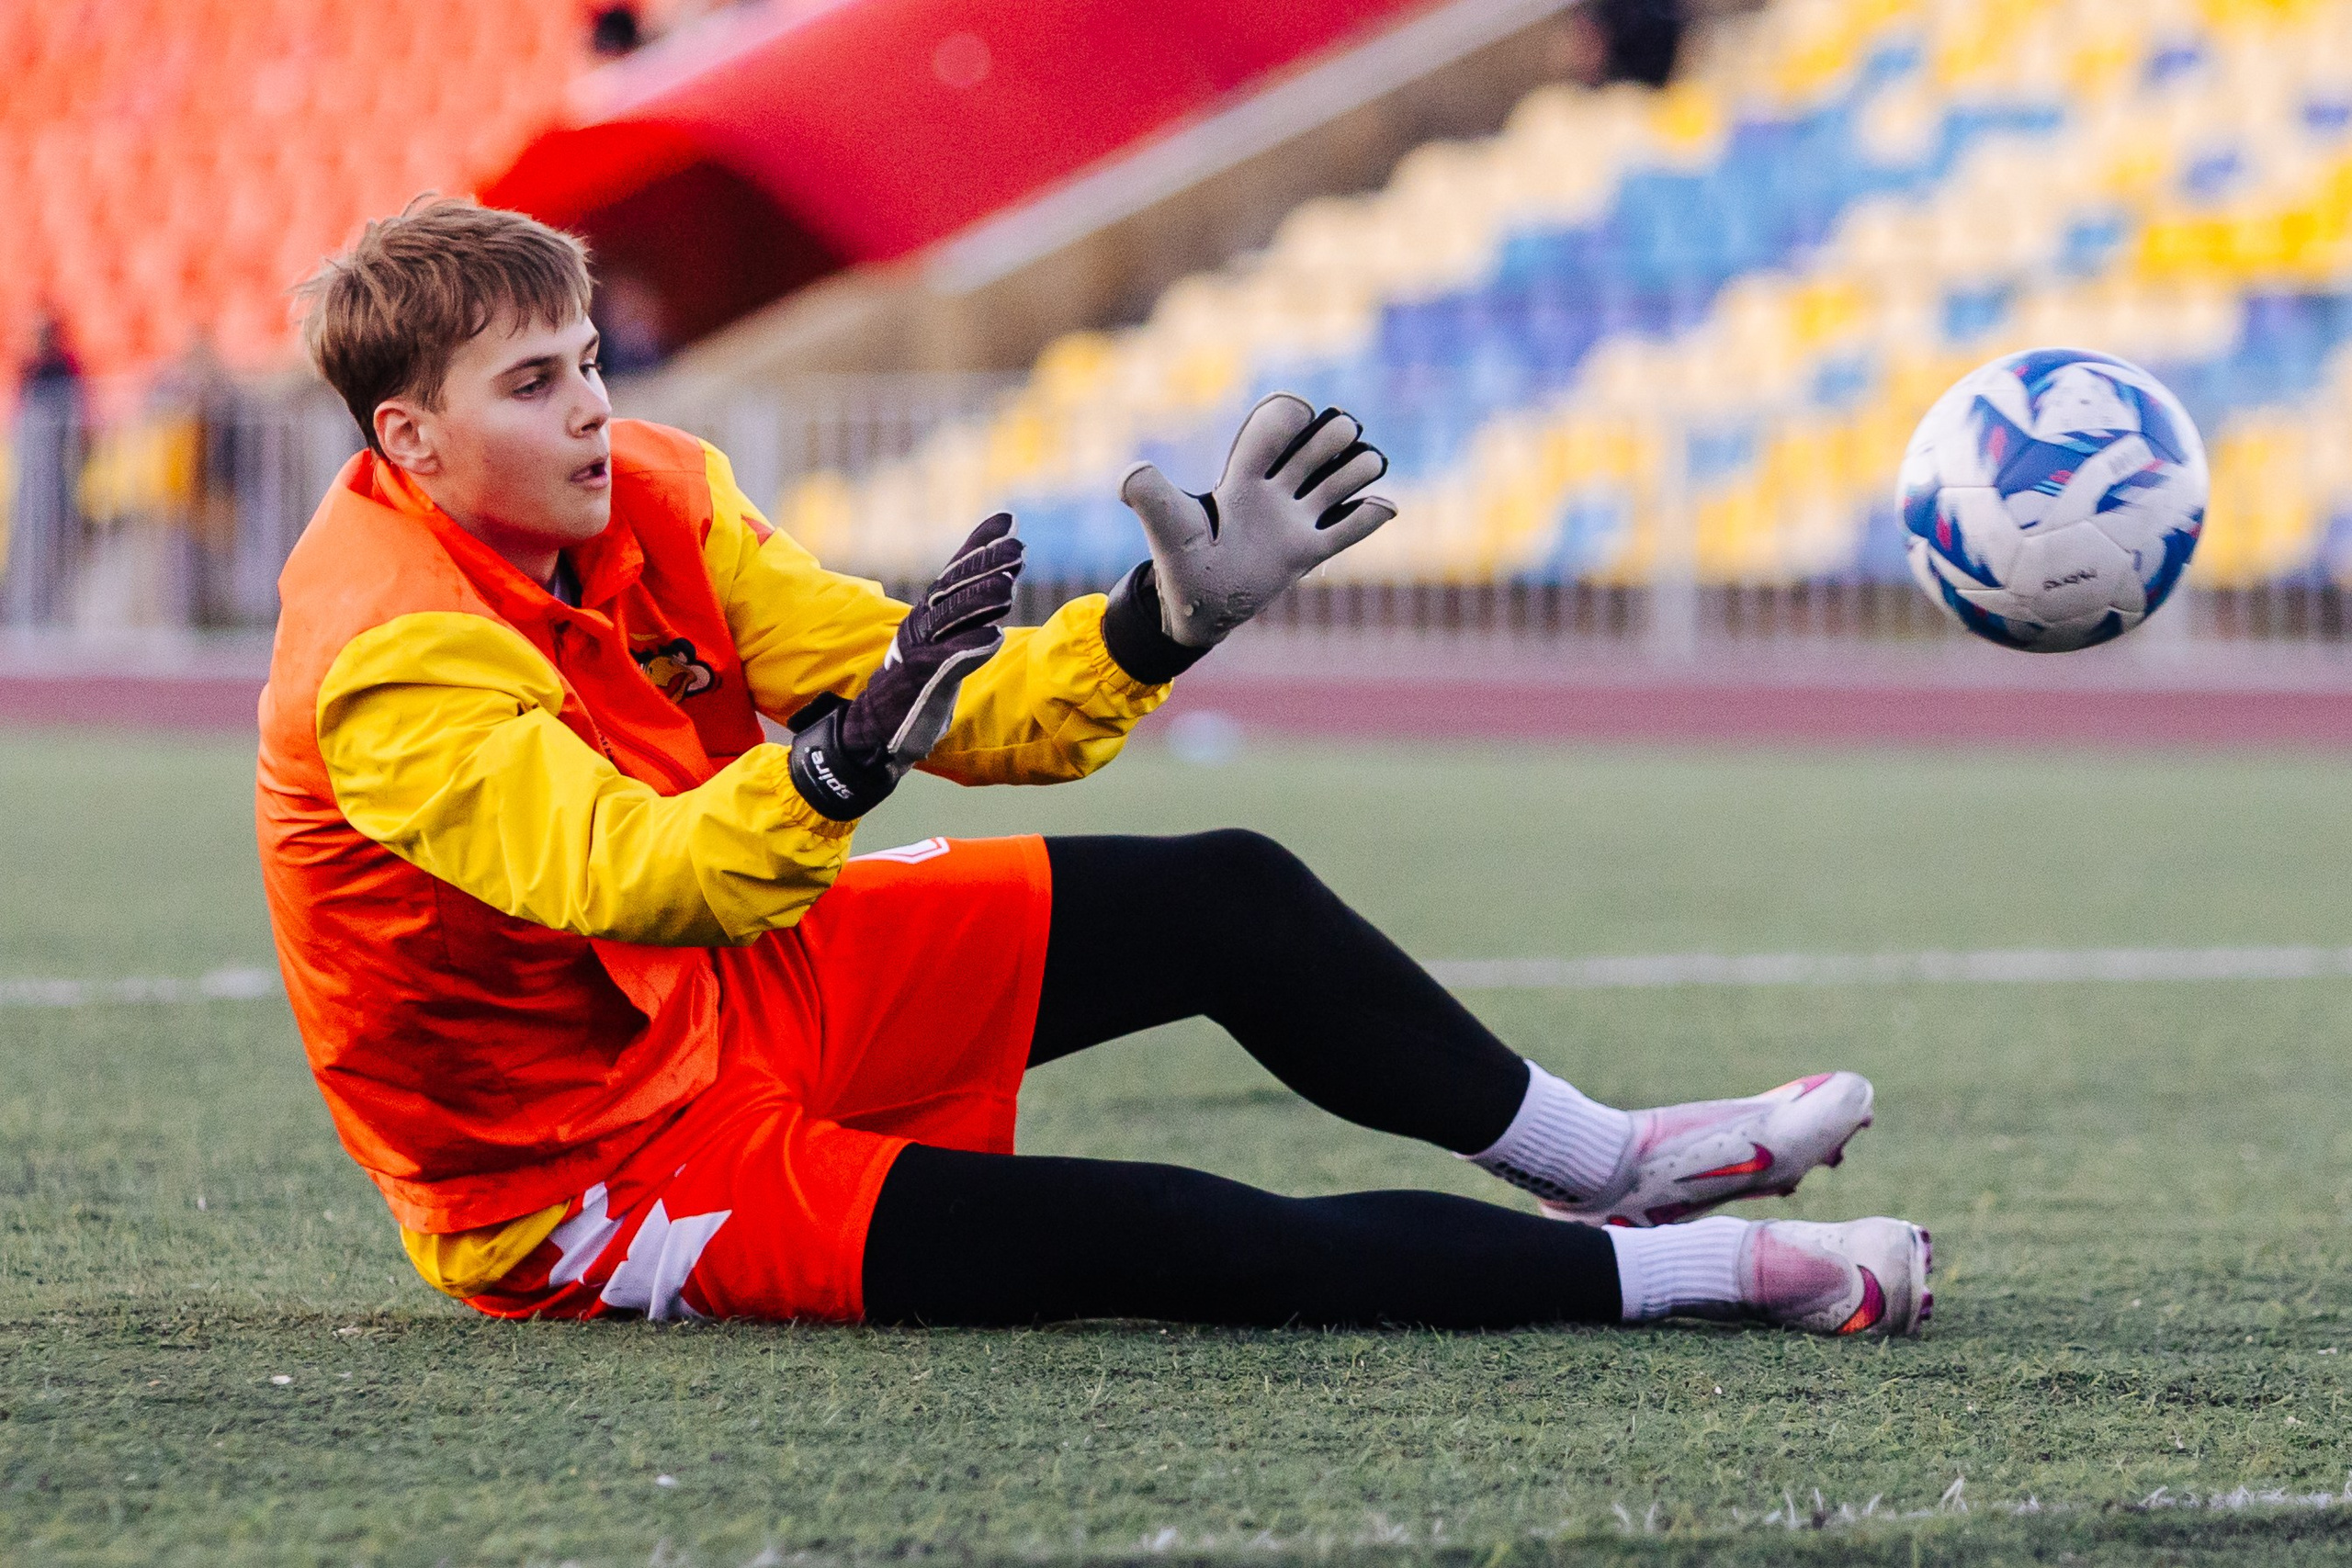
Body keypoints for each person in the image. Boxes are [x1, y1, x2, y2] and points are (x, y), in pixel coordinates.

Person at [256, 197, 1931, 1337]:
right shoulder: (388, 655)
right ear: (409, 438)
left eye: (590, 360)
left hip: (736, 988)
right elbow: (634, 878)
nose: (591, 411)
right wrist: (833, 775)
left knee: (1224, 896)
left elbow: (928, 698)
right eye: (534, 384)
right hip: (576, 1164)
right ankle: (1719, 1275)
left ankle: (1616, 1165)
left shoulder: (661, 494)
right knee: (1158, 1228)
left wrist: (1153, 627)